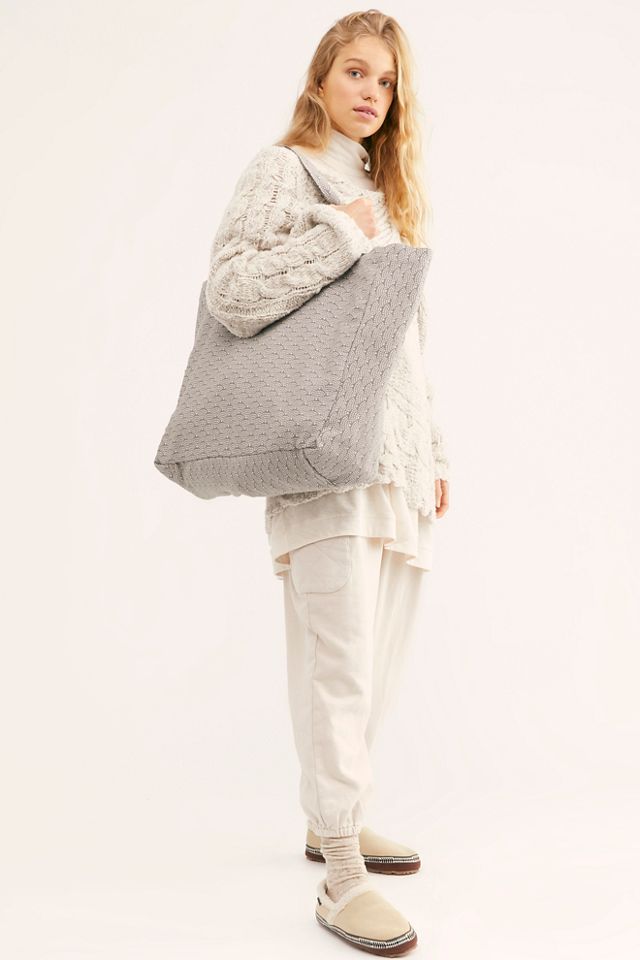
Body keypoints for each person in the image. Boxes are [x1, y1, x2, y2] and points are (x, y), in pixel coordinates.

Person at [206, 10, 450, 956]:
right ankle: (342, 874)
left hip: (392, 465)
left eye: (386, 82)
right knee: (337, 666)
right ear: (319, 79)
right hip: (323, 459)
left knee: (374, 664)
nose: (370, 93)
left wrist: (435, 452)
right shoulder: (284, 170)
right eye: (355, 72)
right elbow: (233, 293)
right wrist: (340, 237)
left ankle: (328, 821)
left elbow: (408, 346)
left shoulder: (383, 191)